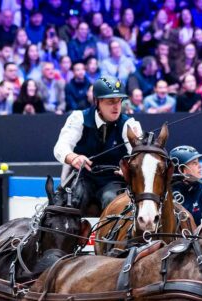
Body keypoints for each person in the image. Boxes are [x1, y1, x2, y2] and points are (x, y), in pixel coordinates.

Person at [53, 76, 143, 212]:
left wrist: (129, 169)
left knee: (111, 199)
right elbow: (61, 147)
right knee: (75, 199)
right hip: (84, 178)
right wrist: (73, 158)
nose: (116, 106)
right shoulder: (78, 118)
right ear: (97, 102)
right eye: (110, 101)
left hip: (113, 181)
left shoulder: (129, 124)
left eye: (119, 101)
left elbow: (138, 155)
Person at [170, 145, 202, 227]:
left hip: (199, 238)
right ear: (181, 169)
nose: (200, 166)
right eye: (194, 163)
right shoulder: (167, 190)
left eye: (198, 162)